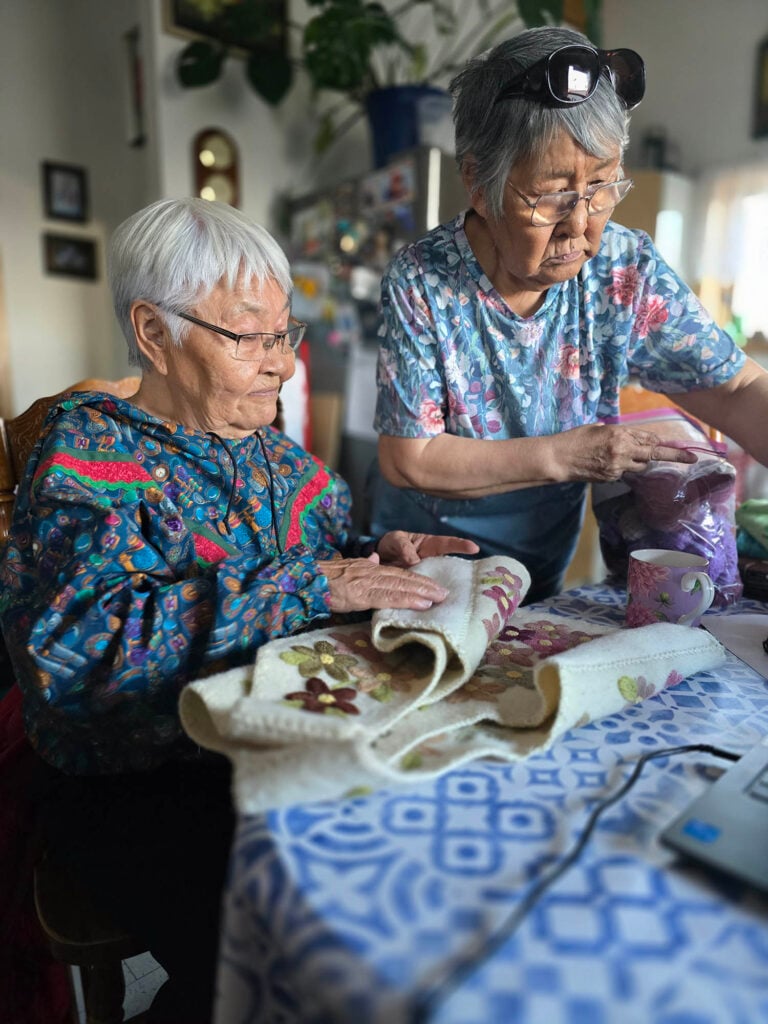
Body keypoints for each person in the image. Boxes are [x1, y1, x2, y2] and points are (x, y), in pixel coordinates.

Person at [0, 197, 478, 1023]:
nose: (283, 365)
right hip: (139, 783)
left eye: (283, 334)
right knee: (305, 955)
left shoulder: (271, 453)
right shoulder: (87, 456)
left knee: (423, 886)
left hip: (268, 749)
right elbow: (78, 658)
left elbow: (310, 552)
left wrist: (372, 555)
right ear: (154, 333)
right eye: (249, 337)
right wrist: (309, 589)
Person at [370, 25, 768, 603]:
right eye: (551, 196)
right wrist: (569, 453)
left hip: (537, 571)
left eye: (602, 186)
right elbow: (413, 458)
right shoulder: (424, 280)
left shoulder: (622, 271)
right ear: (480, 184)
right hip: (426, 565)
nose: (580, 226)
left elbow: (735, 388)